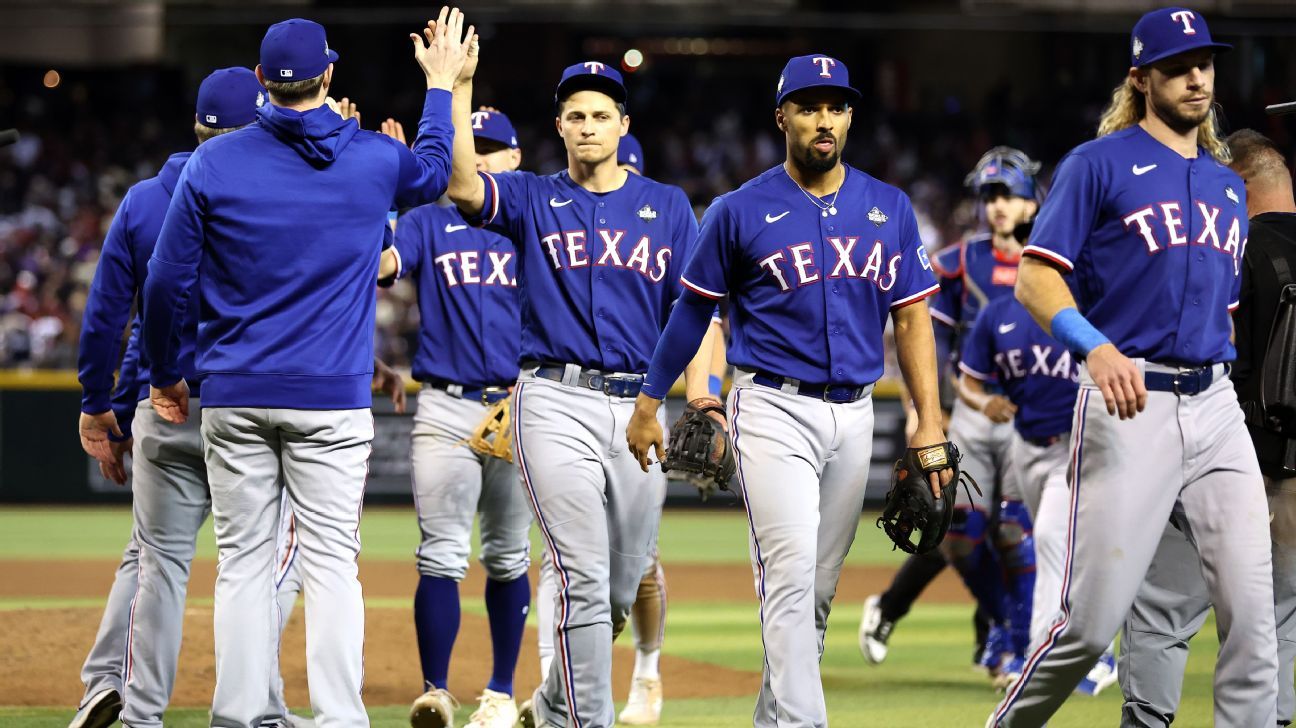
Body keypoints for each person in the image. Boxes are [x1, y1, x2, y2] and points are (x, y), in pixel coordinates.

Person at [141, 12, 470, 727]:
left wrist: (168, 371)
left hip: (234, 392)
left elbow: (165, 283)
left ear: (261, 82)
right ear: (330, 74)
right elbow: (438, 172)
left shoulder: (213, 163)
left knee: (244, 566)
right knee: (330, 568)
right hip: (332, 397)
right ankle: (340, 718)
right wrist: (440, 85)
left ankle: (235, 716)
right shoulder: (372, 160)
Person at [627, 54, 952, 728]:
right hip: (771, 407)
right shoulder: (738, 210)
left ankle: (776, 720)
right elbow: (693, 312)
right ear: (782, 116)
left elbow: (913, 318)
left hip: (857, 413)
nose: (823, 118)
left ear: (851, 115)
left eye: (835, 106)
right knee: (789, 578)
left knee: (817, 597)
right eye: (808, 106)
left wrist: (929, 421)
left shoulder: (888, 209)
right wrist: (653, 398)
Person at [989, 7, 1278, 726]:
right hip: (1130, 401)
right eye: (1178, 66)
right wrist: (1096, 344)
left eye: (1204, 63)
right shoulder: (1097, 164)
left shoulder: (1225, 185)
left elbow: (1227, 308)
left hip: (1215, 406)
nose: (1196, 77)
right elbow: (1034, 278)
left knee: (1254, 616)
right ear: (1141, 78)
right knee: (1087, 627)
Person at [443, 49, 718, 727]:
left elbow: (698, 311)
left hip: (639, 406)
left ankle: (551, 705)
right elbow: (463, 186)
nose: (588, 125)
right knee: (582, 577)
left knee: (622, 586)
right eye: (575, 115)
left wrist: (704, 397)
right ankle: (583, 721)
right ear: (559, 127)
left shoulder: (668, 206)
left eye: (601, 114)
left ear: (623, 125)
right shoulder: (534, 197)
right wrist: (460, 87)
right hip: (552, 398)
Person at [72, 67, 313, 728]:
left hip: (164, 406)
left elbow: (108, 318)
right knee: (258, 568)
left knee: (155, 564)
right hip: (248, 408)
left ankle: (133, 709)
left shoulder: (146, 200)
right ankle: (256, 709)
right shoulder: (280, 196)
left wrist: (104, 406)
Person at [1117, 128, 1296, 726]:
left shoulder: (1233, 252)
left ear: (1239, 188)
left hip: (1228, 467)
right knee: (1280, 622)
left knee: (1162, 612)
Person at [860, 148, 1044, 682]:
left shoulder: (1053, 259)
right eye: (988, 195)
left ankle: (1005, 641)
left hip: (1034, 415)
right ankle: (1001, 631)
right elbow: (926, 333)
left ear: (1033, 201)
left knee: (1015, 536)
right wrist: (928, 411)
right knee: (960, 535)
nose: (997, 206)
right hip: (973, 409)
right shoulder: (963, 259)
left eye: (1008, 194)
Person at [380, 108, 531, 728]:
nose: (479, 156)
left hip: (522, 404)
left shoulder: (534, 217)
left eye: (491, 147)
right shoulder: (426, 220)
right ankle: (436, 691)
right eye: (472, 145)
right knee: (440, 554)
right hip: (444, 404)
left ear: (514, 159)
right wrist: (385, 197)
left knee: (509, 554)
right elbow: (383, 267)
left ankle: (499, 692)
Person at [957, 293, 1116, 695]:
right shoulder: (999, 312)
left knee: (1046, 538)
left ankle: (1038, 657)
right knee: (1032, 542)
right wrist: (984, 401)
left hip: (1077, 443)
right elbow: (969, 381)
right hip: (1024, 444)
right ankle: (1083, 647)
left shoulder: (1091, 303)